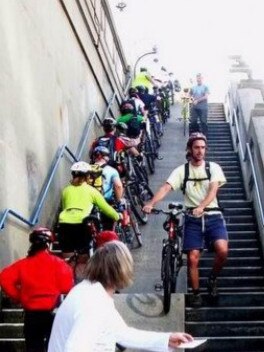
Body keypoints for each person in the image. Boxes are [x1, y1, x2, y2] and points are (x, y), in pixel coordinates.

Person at [48, 241, 193, 352]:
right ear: (121, 270)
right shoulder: (93, 302)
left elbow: (121, 333)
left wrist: (167, 339)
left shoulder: (90, 292)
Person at [143, 133, 228, 308]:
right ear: (190, 149)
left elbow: (213, 190)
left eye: (203, 148)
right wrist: (151, 203)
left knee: (222, 250)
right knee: (192, 258)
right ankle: (196, 294)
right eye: (196, 147)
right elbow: (166, 187)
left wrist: (202, 206)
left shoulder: (213, 168)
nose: (200, 151)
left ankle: (212, 279)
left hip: (213, 215)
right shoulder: (182, 170)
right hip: (192, 218)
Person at [0, 227, 74, 352]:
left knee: (33, 347)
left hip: (31, 315)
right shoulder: (59, 263)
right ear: (49, 245)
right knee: (55, 347)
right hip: (53, 314)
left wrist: (18, 296)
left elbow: (4, 278)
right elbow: (66, 287)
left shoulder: (23, 264)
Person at [57, 161, 121, 260]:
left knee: (68, 257)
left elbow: (65, 208)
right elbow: (106, 208)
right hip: (81, 224)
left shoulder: (66, 190)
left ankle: (70, 272)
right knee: (83, 258)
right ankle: (82, 273)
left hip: (64, 224)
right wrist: (117, 216)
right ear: (88, 176)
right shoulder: (91, 191)